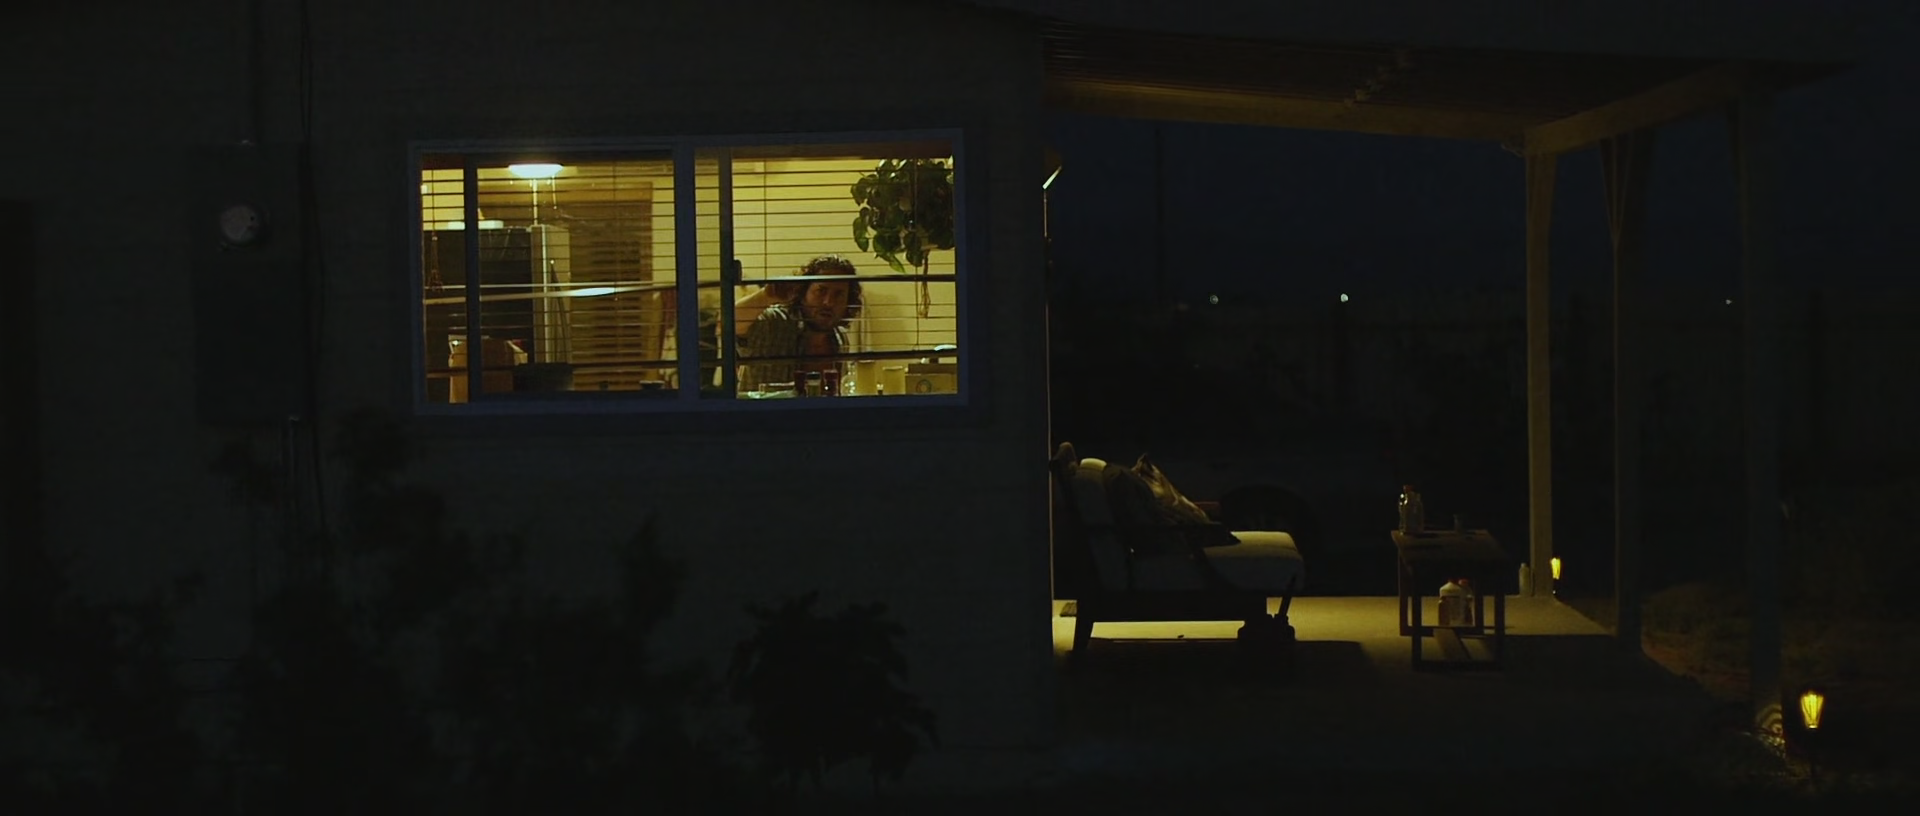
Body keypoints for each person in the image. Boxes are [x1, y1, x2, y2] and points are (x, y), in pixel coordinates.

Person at [738, 254, 863, 392]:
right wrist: (766, 295)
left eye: (838, 295)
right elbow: (728, 324)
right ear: (804, 294)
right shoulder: (774, 324)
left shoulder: (840, 339)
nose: (828, 302)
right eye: (821, 291)